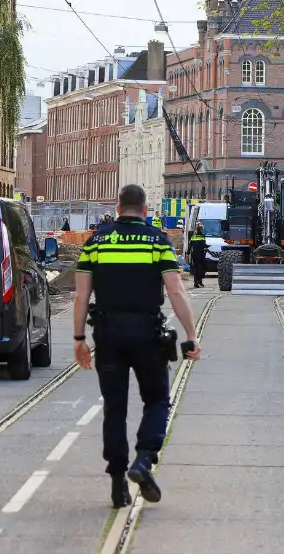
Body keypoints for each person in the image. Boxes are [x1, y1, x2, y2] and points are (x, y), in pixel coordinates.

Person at [73, 184, 203, 509]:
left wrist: (79, 340)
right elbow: (176, 291)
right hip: (147, 333)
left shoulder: (96, 242)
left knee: (114, 409)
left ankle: (118, 485)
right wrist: (191, 335)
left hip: (108, 334)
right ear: (145, 210)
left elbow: (80, 296)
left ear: (118, 209)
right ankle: (144, 460)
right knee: (158, 400)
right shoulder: (157, 240)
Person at [188, 222, 208, 288]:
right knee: (202, 268)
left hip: (194, 255)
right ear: (201, 229)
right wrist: (208, 247)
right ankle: (200, 281)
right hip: (201, 254)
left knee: (196, 268)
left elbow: (190, 245)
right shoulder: (202, 236)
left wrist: (188, 252)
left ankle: (195, 283)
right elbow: (204, 245)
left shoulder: (193, 236)